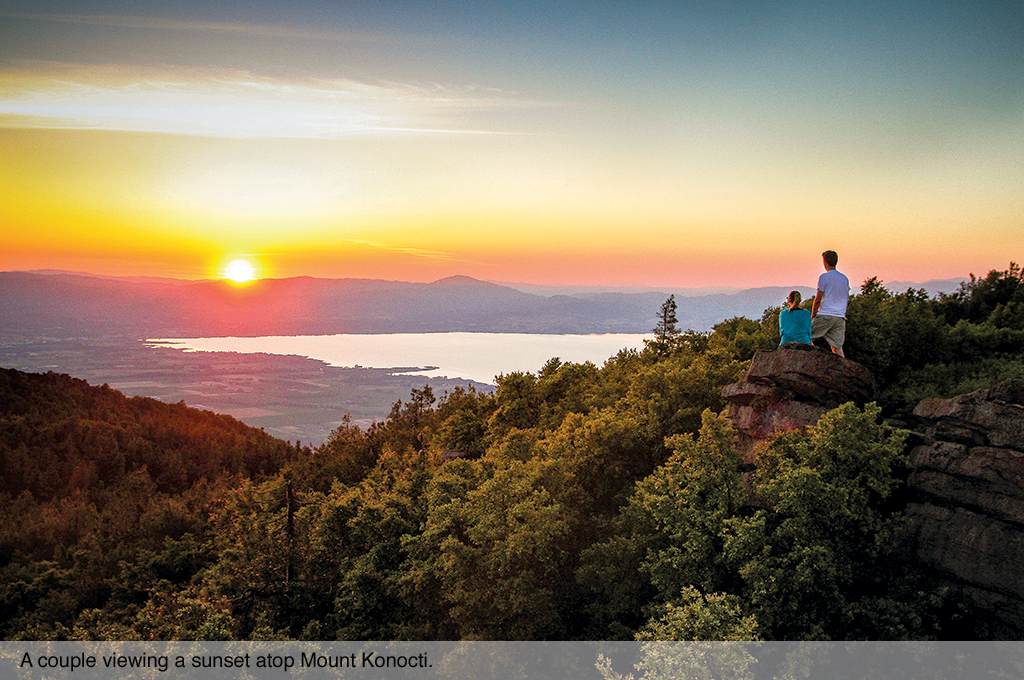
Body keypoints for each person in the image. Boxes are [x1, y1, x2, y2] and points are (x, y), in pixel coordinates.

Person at [811, 249, 850, 357]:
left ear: (825, 262)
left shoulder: (824, 277)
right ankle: (842, 369)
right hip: (840, 317)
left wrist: (813, 315)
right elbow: (847, 298)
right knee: (837, 347)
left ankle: (813, 359)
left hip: (826, 314)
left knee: (805, 335)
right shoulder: (844, 278)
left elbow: (818, 299)